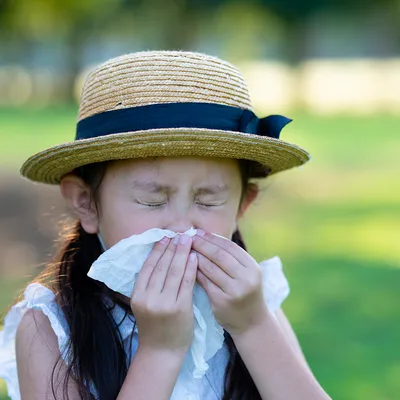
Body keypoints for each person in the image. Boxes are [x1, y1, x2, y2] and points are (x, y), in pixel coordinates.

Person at [0, 50, 331, 400]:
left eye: (208, 200)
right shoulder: (48, 329)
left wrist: (253, 327)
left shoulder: (254, 306)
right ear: (87, 203)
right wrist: (160, 351)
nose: (181, 225)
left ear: (241, 205)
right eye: (152, 200)